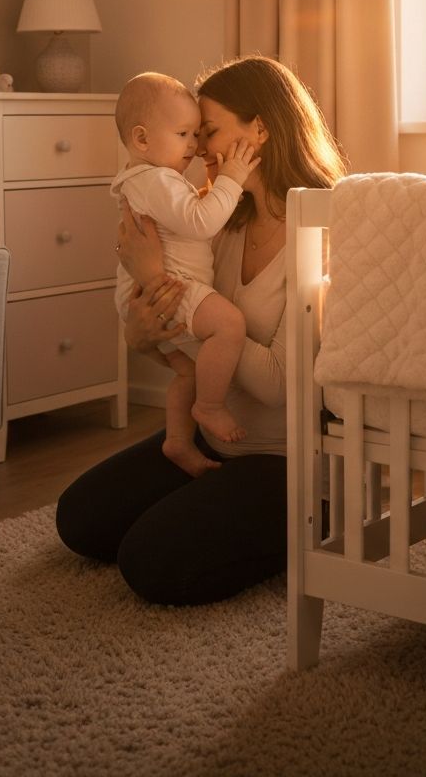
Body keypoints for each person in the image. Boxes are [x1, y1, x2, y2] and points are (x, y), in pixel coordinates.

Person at [56, 55, 347, 605]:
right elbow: (180, 347)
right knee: (81, 520)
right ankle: (217, 501)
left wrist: (181, 303)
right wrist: (141, 332)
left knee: (150, 562)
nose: (198, 149)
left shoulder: (327, 229)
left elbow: (282, 386)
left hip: (285, 457)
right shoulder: (218, 221)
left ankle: (312, 523)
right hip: (217, 441)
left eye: (208, 131)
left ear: (260, 128)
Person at [111, 72, 261, 477]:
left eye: (200, 134)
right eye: (185, 134)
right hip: (171, 285)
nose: (195, 148)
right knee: (228, 325)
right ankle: (209, 407)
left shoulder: (149, 180)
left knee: (188, 370)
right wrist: (230, 179)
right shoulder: (157, 179)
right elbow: (200, 224)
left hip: (149, 289)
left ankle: (178, 440)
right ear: (142, 140)